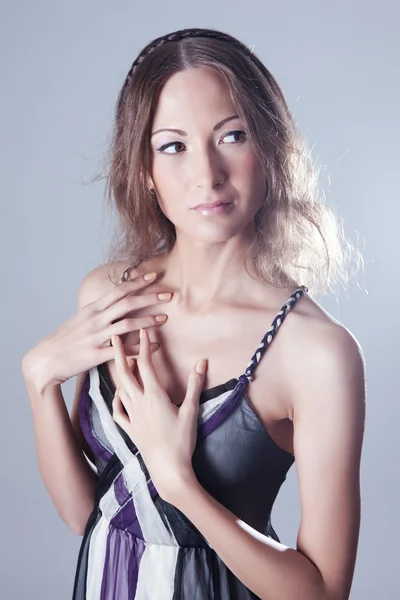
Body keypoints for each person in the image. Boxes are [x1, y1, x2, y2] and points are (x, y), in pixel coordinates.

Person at [22, 27, 366, 600]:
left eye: (232, 136)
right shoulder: (110, 298)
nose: (207, 174)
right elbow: (87, 514)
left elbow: (324, 593)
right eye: (173, 146)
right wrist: (38, 382)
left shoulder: (315, 353)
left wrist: (180, 484)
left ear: (272, 149)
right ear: (144, 171)